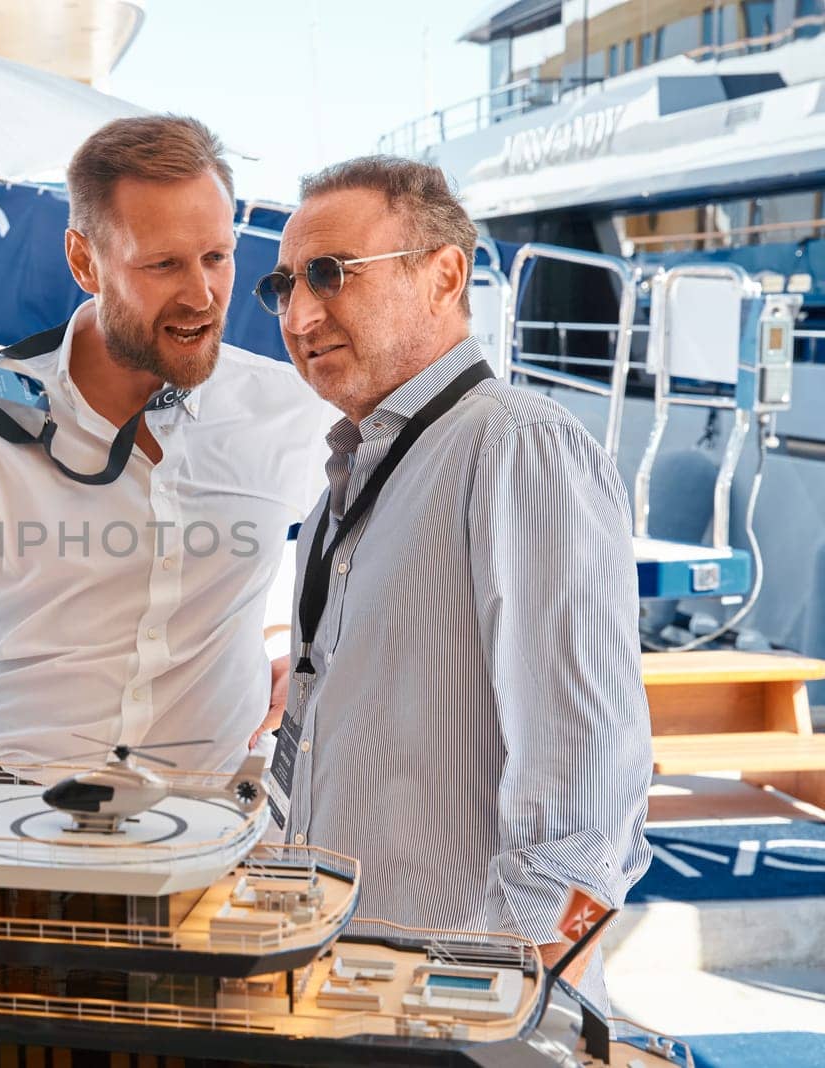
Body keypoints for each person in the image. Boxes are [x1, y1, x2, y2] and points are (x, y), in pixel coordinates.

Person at [0, 115, 335, 777]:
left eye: (217, 256)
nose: (202, 295)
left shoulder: (291, 408)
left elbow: (377, 572)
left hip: (212, 829)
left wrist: (313, 661)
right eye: (163, 265)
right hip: (13, 824)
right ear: (82, 261)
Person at [257, 155, 651, 1004]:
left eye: (330, 274)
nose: (298, 312)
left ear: (444, 275)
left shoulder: (516, 446)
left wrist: (519, 1000)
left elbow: (592, 794)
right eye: (282, 284)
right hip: (351, 983)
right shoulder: (345, 492)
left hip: (462, 1009)